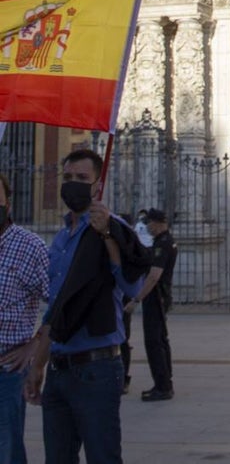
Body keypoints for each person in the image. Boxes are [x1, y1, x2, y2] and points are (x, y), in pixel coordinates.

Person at [26, 148, 148, 464]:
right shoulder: (61, 239)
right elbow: (56, 304)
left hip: (97, 369)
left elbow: (131, 287)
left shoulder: (114, 227)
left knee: (102, 456)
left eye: (82, 178)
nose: (72, 184)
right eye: (67, 178)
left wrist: (107, 234)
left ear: (97, 185)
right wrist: (38, 365)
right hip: (59, 366)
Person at [0, 173, 49, 464]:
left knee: (6, 449)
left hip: (6, 368)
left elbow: (57, 304)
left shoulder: (30, 246)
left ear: (8, 202)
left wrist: (35, 346)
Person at [125, 208, 177, 401]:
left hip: (156, 297)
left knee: (154, 342)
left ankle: (162, 386)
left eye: (149, 223)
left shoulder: (162, 244)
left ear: (158, 222)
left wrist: (136, 299)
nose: (147, 227)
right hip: (161, 296)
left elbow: (154, 276)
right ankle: (165, 382)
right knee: (161, 340)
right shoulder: (164, 242)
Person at [119, 210, 153, 396]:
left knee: (123, 339)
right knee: (119, 339)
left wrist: (134, 296)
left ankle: (123, 378)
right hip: (114, 299)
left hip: (124, 298)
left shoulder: (132, 246)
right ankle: (119, 377)